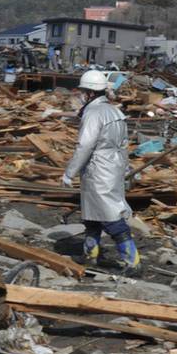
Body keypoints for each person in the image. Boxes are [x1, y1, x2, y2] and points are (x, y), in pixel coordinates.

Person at [61, 70, 138, 271]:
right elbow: (123, 145)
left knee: (109, 216)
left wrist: (69, 172)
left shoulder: (94, 113)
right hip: (113, 166)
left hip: (98, 169)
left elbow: (84, 145)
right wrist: (125, 167)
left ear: (89, 93)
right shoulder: (114, 111)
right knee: (92, 215)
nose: (81, 96)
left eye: (83, 92)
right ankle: (90, 254)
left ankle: (132, 261)